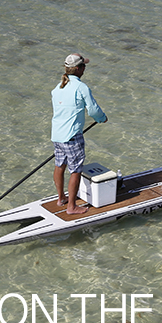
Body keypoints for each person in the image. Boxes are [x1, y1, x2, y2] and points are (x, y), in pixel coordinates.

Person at [51, 53, 107, 214]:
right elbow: (93, 110)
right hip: (72, 136)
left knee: (59, 165)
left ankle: (61, 198)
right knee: (75, 170)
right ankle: (71, 207)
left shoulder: (58, 87)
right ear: (78, 69)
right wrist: (102, 118)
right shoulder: (81, 87)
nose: (85, 69)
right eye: (83, 66)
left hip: (57, 135)